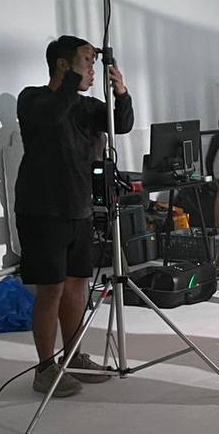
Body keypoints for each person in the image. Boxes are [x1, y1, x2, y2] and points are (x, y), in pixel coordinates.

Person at [15, 35, 133, 397]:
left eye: (93, 63)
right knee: (50, 288)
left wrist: (121, 92)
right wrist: (72, 81)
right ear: (63, 65)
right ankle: (45, 368)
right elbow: (53, 115)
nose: (91, 70)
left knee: (77, 284)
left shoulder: (87, 106)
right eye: (85, 62)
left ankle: (73, 355)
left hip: (79, 208)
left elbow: (122, 124)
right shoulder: (32, 99)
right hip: (42, 210)